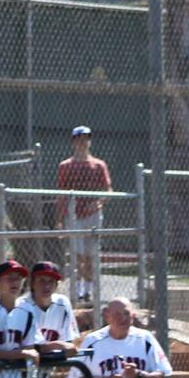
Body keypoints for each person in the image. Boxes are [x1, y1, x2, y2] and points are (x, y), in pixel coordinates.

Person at [56, 125, 112, 303]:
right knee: (77, 255)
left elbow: (108, 190)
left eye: (86, 138)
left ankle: (88, 291)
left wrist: (96, 203)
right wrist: (59, 219)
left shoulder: (99, 165)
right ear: (73, 142)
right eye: (79, 138)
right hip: (73, 215)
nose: (83, 142)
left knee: (91, 255)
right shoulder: (65, 166)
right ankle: (78, 290)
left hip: (93, 215)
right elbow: (61, 193)